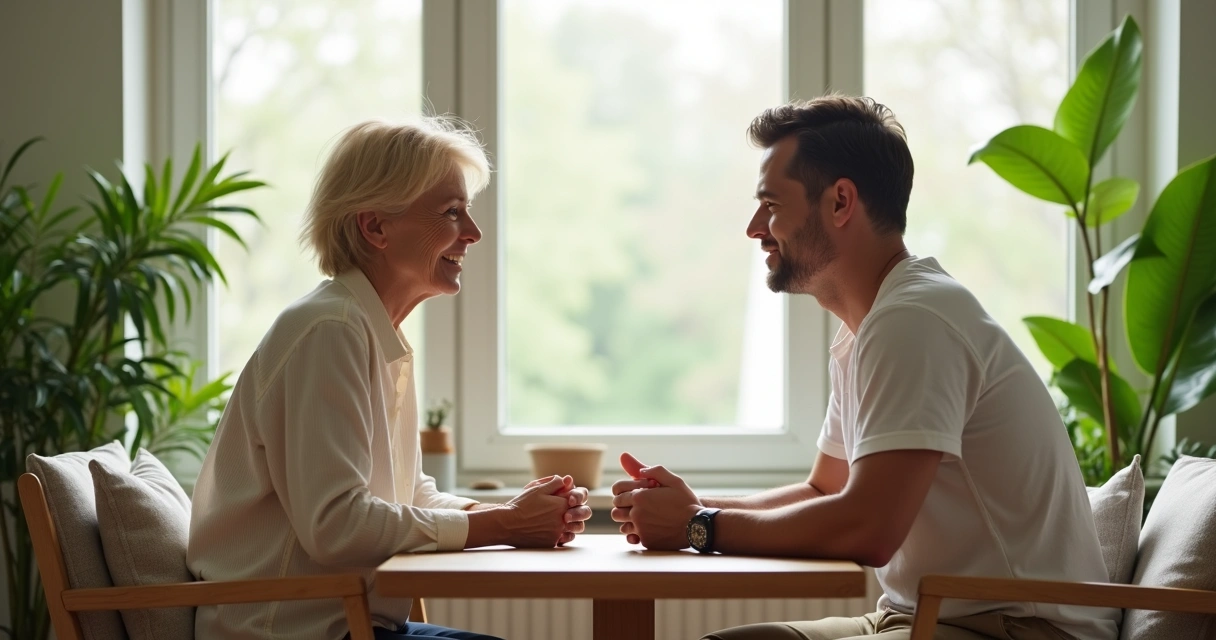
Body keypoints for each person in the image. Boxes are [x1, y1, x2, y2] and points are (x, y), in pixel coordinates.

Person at [610, 96, 1118, 640]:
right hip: (924, 618)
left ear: (840, 202)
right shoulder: (869, 327)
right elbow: (827, 492)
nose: (755, 227)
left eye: (771, 204)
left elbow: (868, 529)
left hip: (1020, 629)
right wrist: (691, 504)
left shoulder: (913, 320)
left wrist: (696, 527)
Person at [188, 118, 592, 640]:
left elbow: (409, 493)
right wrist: (503, 526)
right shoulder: (329, 331)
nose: (473, 232)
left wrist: (509, 512)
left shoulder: (366, 327)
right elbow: (337, 525)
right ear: (374, 227)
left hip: (348, 625)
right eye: (451, 212)